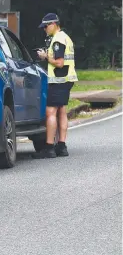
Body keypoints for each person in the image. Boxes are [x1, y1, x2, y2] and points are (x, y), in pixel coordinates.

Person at [33, 13, 78, 159]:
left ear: (53, 24)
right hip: (67, 79)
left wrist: (45, 57)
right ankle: (61, 146)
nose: (44, 29)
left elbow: (59, 62)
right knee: (62, 111)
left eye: (46, 26)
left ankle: (49, 147)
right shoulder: (65, 37)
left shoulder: (58, 39)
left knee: (50, 112)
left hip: (59, 80)